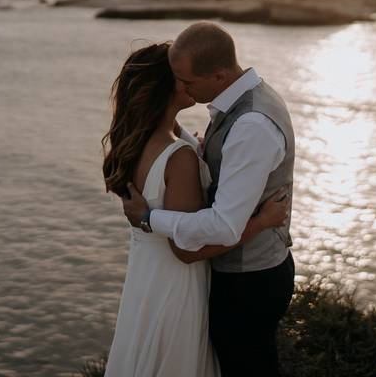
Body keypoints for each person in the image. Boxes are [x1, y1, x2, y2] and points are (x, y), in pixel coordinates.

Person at [103, 42, 289, 377]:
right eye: (179, 78)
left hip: (146, 279)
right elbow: (187, 252)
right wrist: (262, 222)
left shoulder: (138, 139)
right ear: (165, 87)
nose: (188, 83)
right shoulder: (179, 156)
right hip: (177, 284)